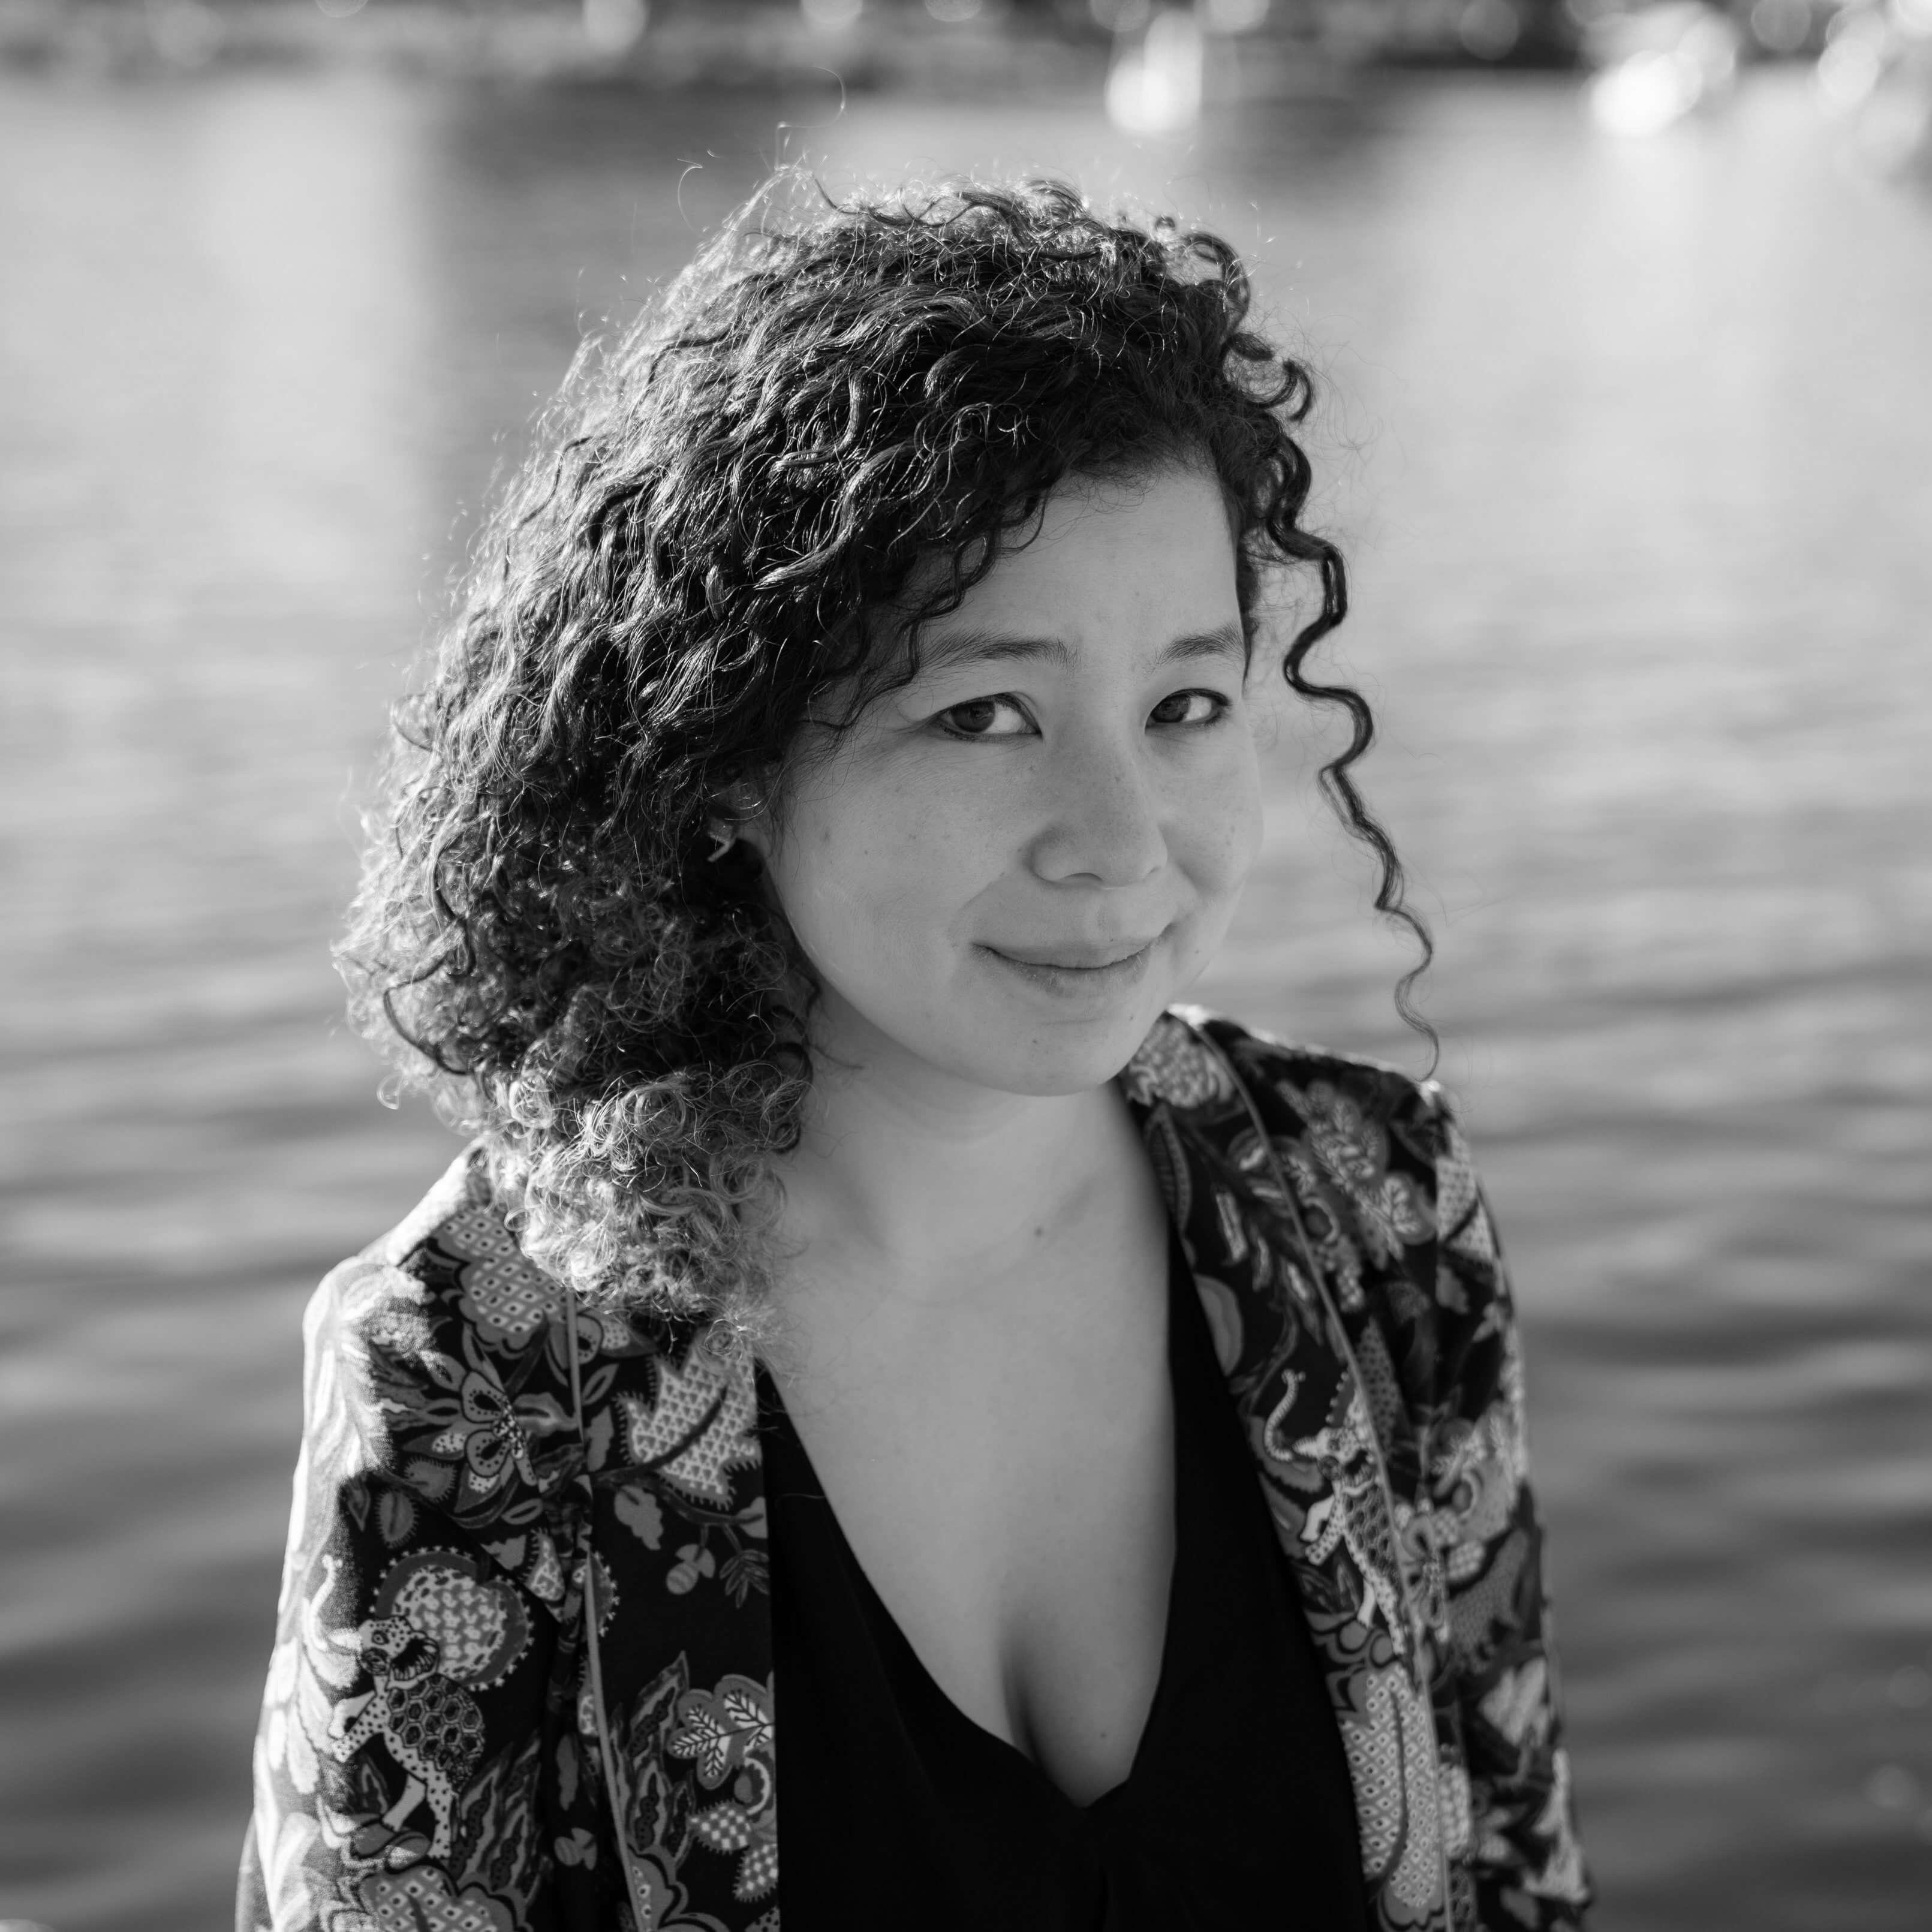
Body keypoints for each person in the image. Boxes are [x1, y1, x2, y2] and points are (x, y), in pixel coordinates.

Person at [238, 177, 1590, 1932]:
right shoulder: (474, 1382)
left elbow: (1515, 1883)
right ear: (723, 762)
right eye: (985, 715)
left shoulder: (1378, 1205)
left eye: (1186, 705)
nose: (1119, 842)